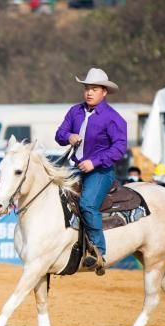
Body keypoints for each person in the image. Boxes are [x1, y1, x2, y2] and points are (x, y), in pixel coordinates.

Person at [55, 67, 126, 273]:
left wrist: (94, 162)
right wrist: (68, 137)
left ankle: (98, 252)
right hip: (74, 167)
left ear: (104, 92)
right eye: (87, 88)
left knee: (87, 204)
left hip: (100, 171)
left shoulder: (113, 117)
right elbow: (59, 133)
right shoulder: (75, 111)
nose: (89, 92)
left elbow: (119, 147)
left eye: (94, 88)